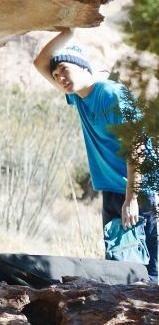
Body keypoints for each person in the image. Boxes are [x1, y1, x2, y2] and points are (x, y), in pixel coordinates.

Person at [33, 28, 158, 282]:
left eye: (65, 70)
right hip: (113, 192)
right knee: (118, 268)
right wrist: (67, 31)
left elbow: (136, 146)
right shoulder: (77, 98)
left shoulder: (111, 94)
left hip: (141, 191)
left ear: (83, 67)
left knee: (152, 266)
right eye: (56, 75)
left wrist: (132, 198)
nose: (59, 78)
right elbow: (39, 62)